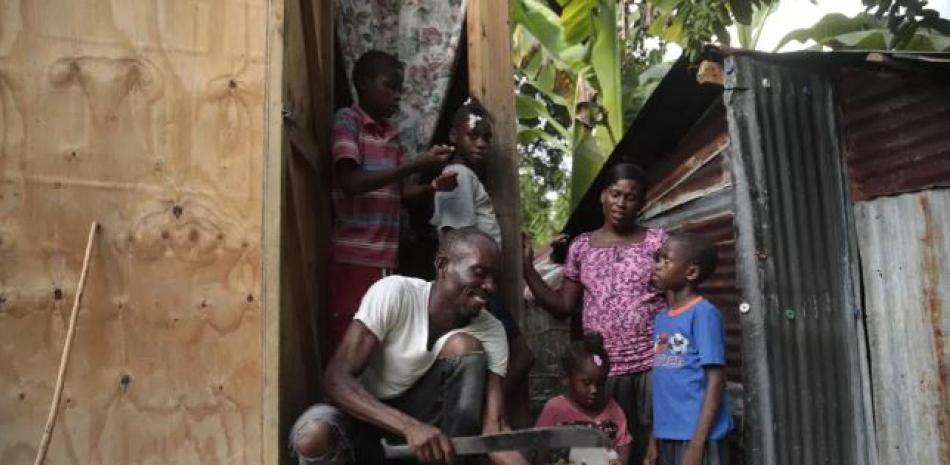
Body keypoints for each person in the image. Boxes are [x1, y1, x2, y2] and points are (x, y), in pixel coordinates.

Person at [291, 228, 527, 465]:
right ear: (443, 266)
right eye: (480, 272)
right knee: (313, 436)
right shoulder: (396, 293)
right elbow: (336, 379)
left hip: (426, 433)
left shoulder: (492, 330)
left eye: (495, 277)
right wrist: (408, 426)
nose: (490, 286)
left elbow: (494, 427)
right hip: (360, 415)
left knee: (466, 347)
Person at [522, 163, 667, 465]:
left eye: (631, 197)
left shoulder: (657, 242)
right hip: (603, 372)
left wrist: (671, 355)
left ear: (641, 203)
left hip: (651, 366)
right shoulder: (582, 247)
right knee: (608, 452)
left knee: (653, 450)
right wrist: (528, 270)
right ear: (603, 196)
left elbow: (675, 297)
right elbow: (563, 306)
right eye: (615, 194)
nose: (621, 203)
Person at [326, 50, 458, 362]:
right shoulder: (348, 121)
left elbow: (399, 193)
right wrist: (414, 163)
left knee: (378, 344)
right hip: (355, 257)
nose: (397, 95)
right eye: (390, 86)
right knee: (348, 342)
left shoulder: (391, 135)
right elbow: (351, 182)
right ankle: (338, 406)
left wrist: (430, 188)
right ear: (363, 83)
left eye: (400, 89)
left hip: (386, 257)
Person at [430, 98, 534, 427]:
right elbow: (456, 239)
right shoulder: (457, 175)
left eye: (487, 138)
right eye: (474, 135)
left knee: (500, 356)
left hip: (479, 282)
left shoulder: (466, 177)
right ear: (453, 135)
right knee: (519, 354)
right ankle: (483, 416)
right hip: (473, 283)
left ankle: (484, 413)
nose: (482, 143)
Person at [647, 232, 731, 465]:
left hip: (697, 437)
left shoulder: (704, 314)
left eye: (666, 260)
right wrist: (655, 438)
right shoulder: (662, 319)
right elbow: (665, 384)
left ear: (691, 272)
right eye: (658, 258)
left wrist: (696, 446)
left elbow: (716, 381)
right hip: (669, 434)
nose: (658, 265)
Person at [534, 333, 631, 465]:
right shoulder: (554, 409)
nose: (594, 390)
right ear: (565, 378)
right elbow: (541, 450)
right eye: (586, 383)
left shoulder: (613, 409)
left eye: (601, 384)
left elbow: (623, 446)